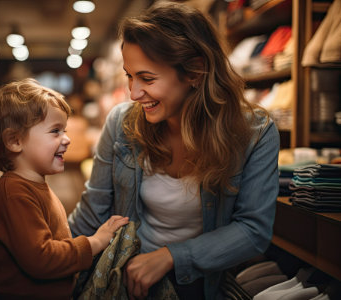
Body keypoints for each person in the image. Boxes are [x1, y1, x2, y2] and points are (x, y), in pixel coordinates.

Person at [68, 2, 280, 300]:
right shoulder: (121, 123)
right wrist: (45, 257)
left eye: (147, 78)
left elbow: (254, 231)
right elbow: (92, 213)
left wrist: (172, 256)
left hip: (201, 288)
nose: (133, 92)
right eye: (129, 75)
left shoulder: (254, 133)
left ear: (195, 71)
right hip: (126, 286)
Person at [0, 78, 129, 300]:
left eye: (64, 130)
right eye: (55, 131)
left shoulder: (33, 185)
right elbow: (41, 258)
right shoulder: (15, 194)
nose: (67, 139)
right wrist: (95, 242)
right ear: (14, 141)